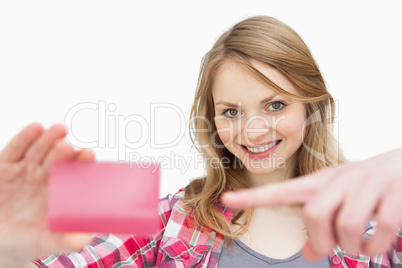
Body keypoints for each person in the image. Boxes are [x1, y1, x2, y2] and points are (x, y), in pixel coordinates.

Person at [0, 15, 401, 268]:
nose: (254, 131)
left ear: (312, 107)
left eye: (276, 105)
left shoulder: (379, 220)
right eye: (231, 111)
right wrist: (8, 249)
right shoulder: (166, 215)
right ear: (210, 118)